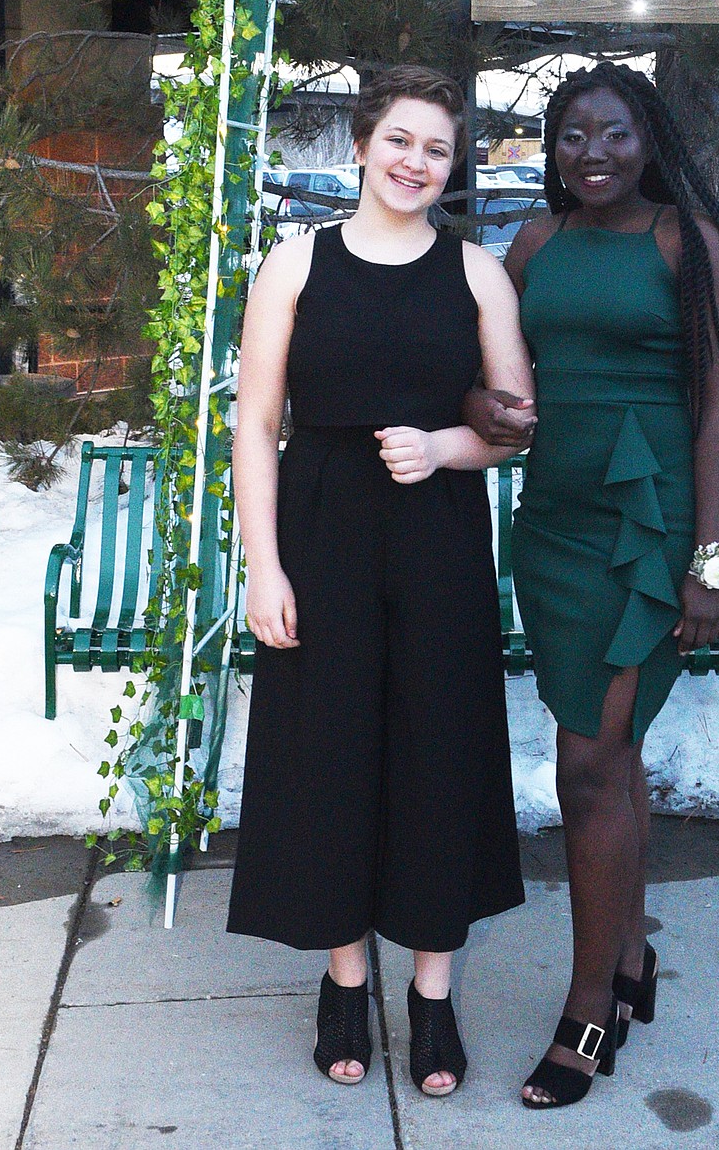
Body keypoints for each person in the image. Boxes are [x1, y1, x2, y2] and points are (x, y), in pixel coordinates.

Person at [226, 65, 534, 1098]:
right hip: (321, 535)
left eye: (437, 148)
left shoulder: (477, 273)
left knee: (437, 755)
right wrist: (264, 565)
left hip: (437, 539)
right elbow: (254, 425)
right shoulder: (296, 265)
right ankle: (345, 982)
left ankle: (433, 995)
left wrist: (451, 444)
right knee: (331, 756)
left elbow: (515, 421)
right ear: (361, 144)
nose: (415, 162)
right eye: (399, 140)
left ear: (455, 166)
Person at [466, 61, 719, 1109]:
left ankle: (589, 1007)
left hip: (652, 527)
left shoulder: (689, 242)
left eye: (614, 134)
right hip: (554, 529)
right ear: (551, 149)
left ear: (650, 141)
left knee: (586, 767)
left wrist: (711, 565)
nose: (592, 153)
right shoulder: (536, 243)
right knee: (613, 752)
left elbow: (718, 414)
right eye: (571, 135)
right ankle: (631, 955)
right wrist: (488, 408)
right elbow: (491, 373)